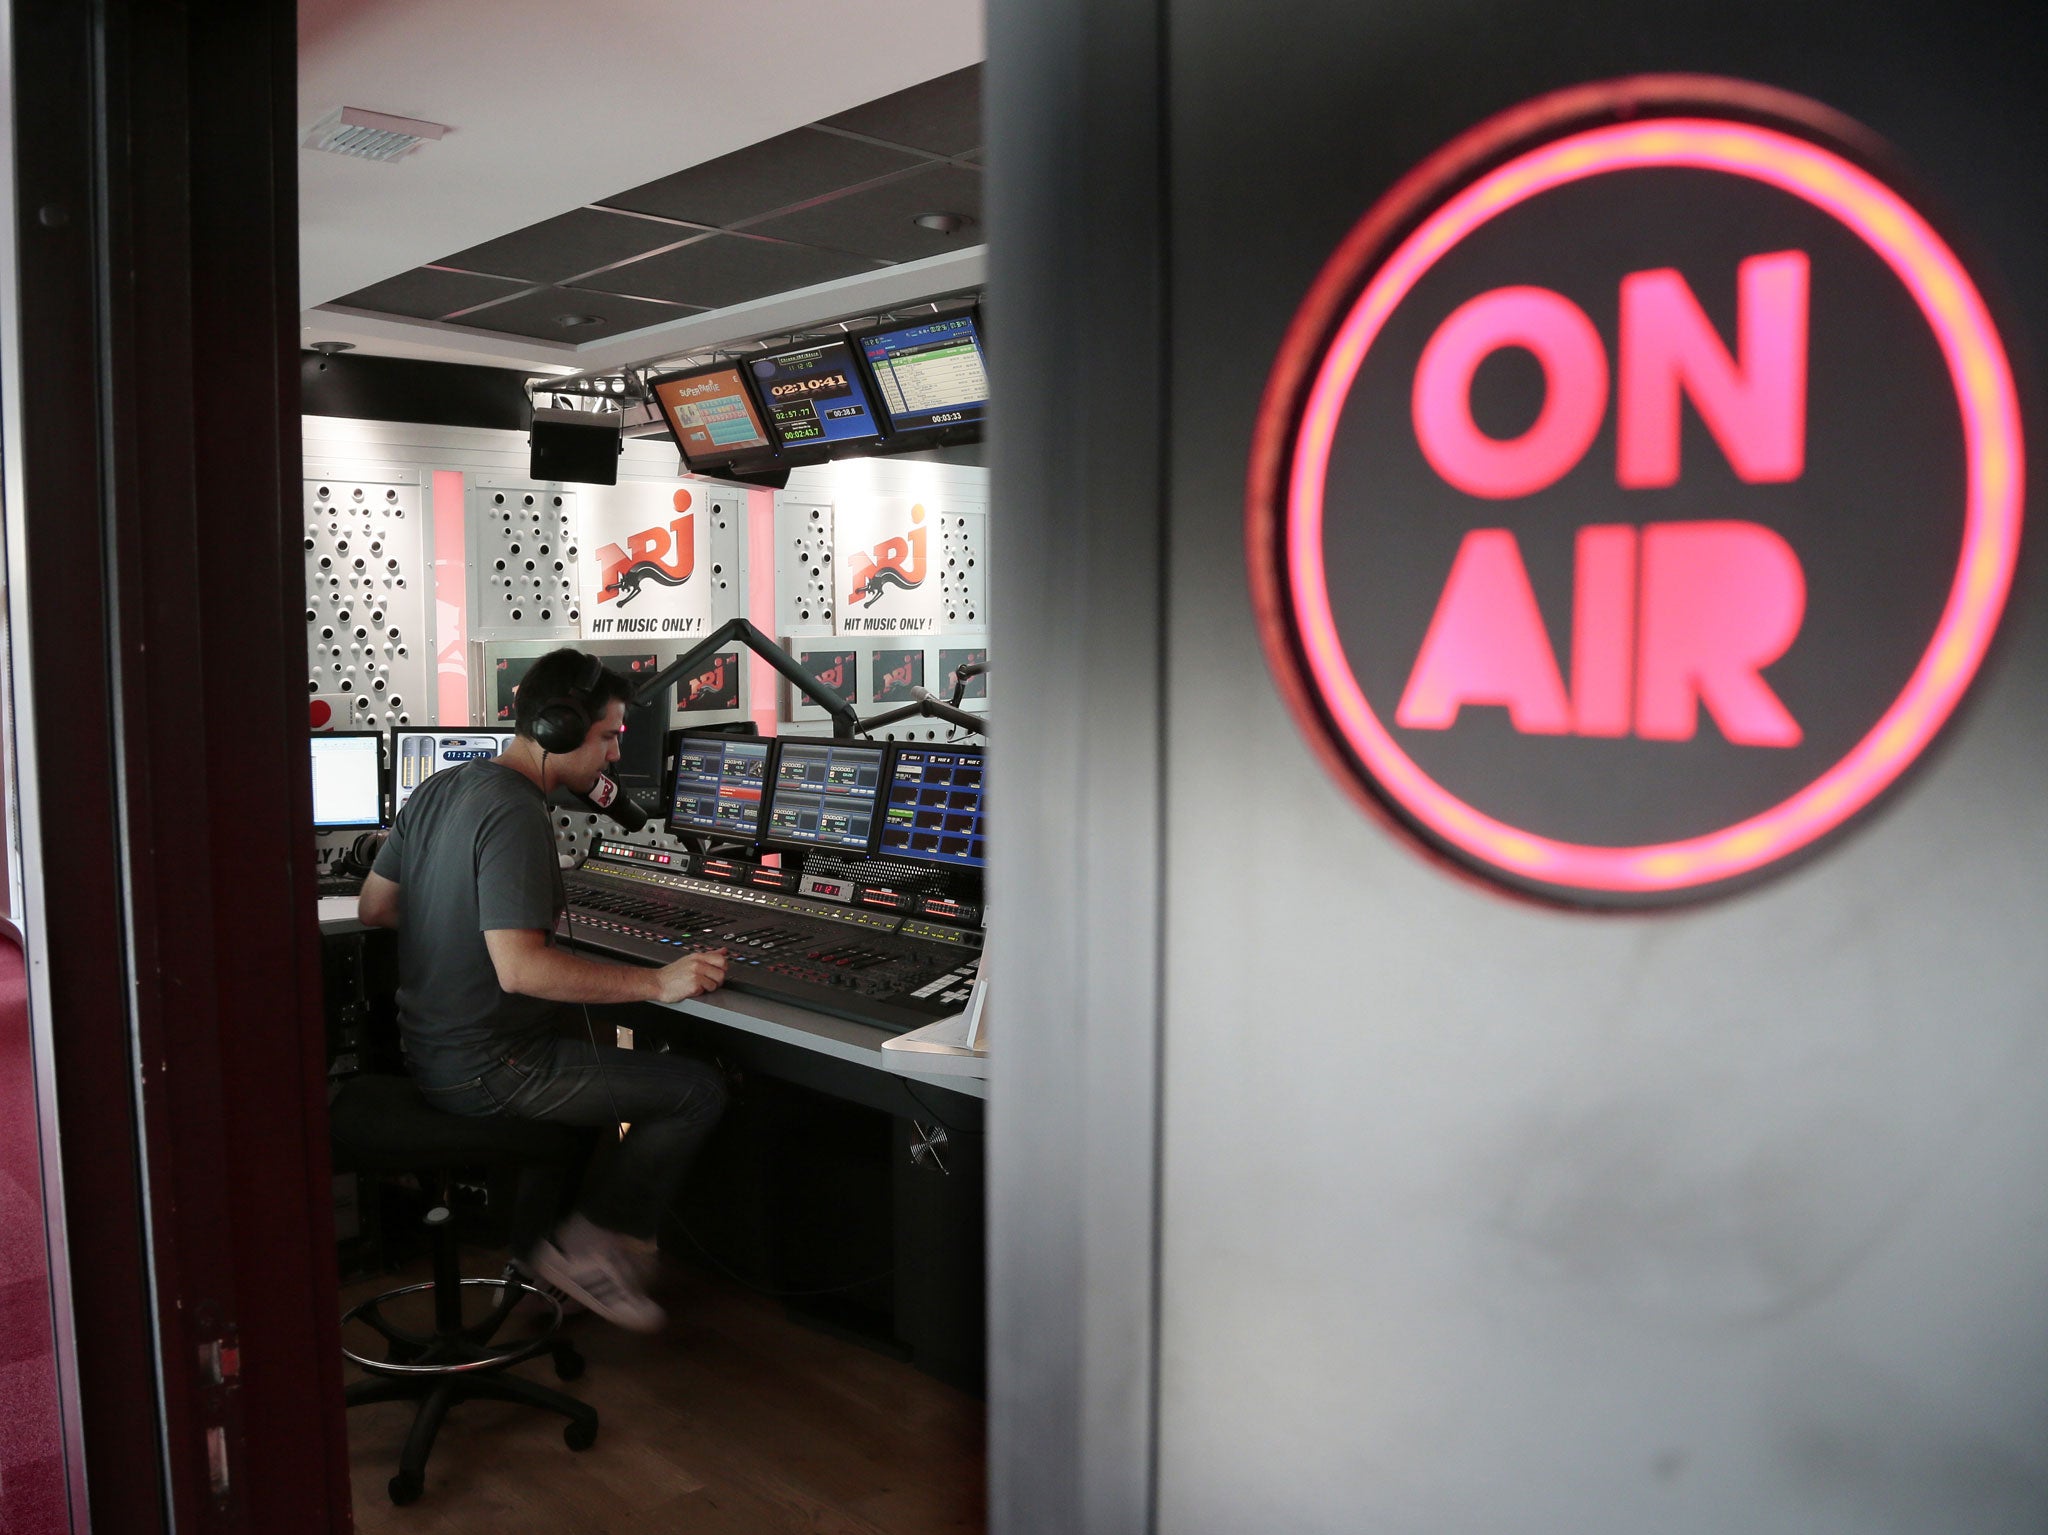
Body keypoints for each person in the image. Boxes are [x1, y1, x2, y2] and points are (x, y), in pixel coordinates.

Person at [357, 649, 729, 1332]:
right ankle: (590, 1250)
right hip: (488, 1070)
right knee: (695, 1090)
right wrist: (657, 979)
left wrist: (462, 920)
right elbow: (522, 970)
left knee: (574, 1031)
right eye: (609, 735)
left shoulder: (442, 788)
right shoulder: (516, 814)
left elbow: (375, 908)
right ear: (559, 729)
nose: (615, 754)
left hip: (429, 1054)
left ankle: (535, 1264)